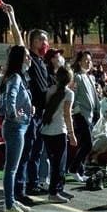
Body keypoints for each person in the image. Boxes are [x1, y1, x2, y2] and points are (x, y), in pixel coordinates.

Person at [2, 3, 51, 201]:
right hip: (28, 116)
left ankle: (33, 184)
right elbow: (17, 38)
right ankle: (19, 191)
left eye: (46, 39)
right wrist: (12, 17)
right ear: (31, 43)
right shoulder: (25, 60)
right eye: (41, 39)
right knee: (26, 153)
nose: (45, 42)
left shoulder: (43, 63)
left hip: (40, 114)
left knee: (36, 151)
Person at [0, 44, 33, 212]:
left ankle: (11, 201)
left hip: (16, 126)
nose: (30, 59)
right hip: (15, 127)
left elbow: (6, 100)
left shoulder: (15, 77)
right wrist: (13, 114)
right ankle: (9, 206)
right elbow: (10, 98)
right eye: (27, 56)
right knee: (11, 169)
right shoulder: (16, 78)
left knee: (13, 168)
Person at [40, 66, 78, 203]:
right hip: (59, 131)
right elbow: (67, 115)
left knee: (56, 162)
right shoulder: (69, 93)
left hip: (47, 130)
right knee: (59, 163)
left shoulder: (50, 90)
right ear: (70, 79)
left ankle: (59, 189)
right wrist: (71, 134)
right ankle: (53, 192)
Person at [67, 51, 101, 182]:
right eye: (85, 60)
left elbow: (94, 97)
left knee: (84, 144)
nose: (88, 62)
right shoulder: (77, 77)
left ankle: (80, 170)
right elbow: (72, 95)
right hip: (80, 114)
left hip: (90, 115)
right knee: (87, 144)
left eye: (90, 60)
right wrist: (76, 110)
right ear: (79, 62)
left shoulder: (89, 77)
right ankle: (74, 168)